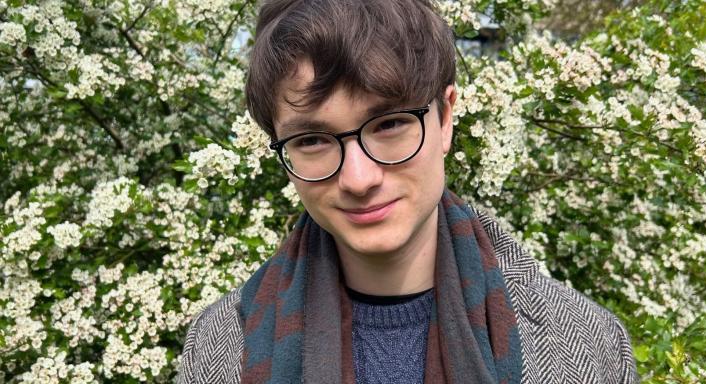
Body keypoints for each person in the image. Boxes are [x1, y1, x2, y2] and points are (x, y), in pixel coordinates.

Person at [177, 0, 639, 383]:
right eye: (312, 140)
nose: (359, 179)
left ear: (445, 119)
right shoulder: (217, 348)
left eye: (391, 124)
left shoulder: (590, 346)